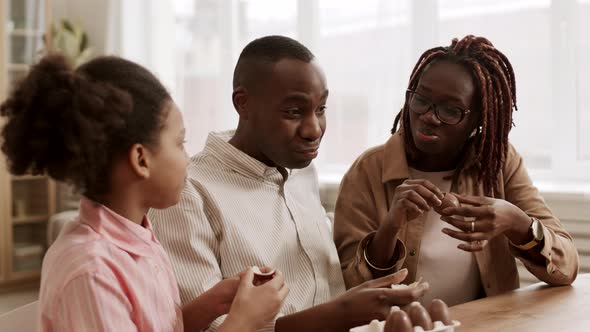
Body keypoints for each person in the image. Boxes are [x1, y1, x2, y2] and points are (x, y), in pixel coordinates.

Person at [149, 35, 429, 331]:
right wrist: (342, 313)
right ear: (243, 103)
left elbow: (327, 290)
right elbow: (211, 329)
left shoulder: (301, 173)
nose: (313, 130)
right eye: (294, 112)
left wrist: (387, 235)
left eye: (321, 109)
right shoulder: (188, 193)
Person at [0, 54, 288, 331]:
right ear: (141, 160)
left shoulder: (138, 237)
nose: (187, 158)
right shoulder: (91, 271)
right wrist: (244, 322)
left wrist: (214, 303)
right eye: (179, 143)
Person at [333, 35, 579, 306]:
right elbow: (348, 291)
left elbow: (566, 267)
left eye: (451, 110)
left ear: (478, 120)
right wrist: (390, 228)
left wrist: (516, 222)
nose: (429, 116)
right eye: (421, 99)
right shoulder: (367, 171)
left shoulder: (498, 163)